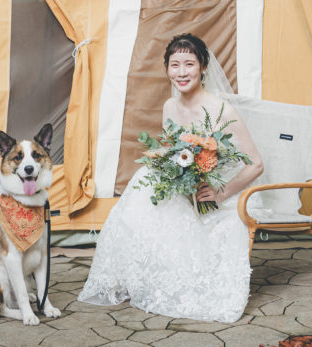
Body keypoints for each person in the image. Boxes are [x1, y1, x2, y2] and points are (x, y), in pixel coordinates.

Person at [78, 33, 264, 322]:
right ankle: (138, 274)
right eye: (174, 65)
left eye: (189, 64)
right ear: (167, 69)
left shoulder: (221, 109)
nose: (181, 72)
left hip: (213, 195)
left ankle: (175, 279)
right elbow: (172, 153)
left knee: (149, 192)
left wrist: (220, 192)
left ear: (203, 67)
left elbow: (256, 164)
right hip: (183, 188)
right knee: (145, 182)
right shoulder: (169, 107)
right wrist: (169, 171)